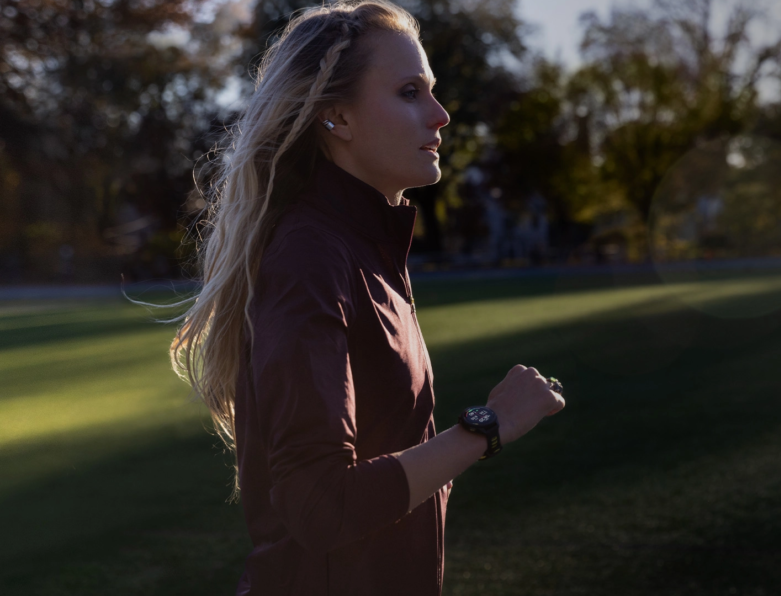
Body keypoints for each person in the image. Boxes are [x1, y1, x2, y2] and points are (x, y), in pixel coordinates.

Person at [165, 2, 566, 594]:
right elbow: (319, 504)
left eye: (432, 91)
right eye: (410, 92)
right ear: (337, 117)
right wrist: (488, 426)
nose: (441, 115)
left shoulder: (364, 248)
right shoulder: (310, 259)